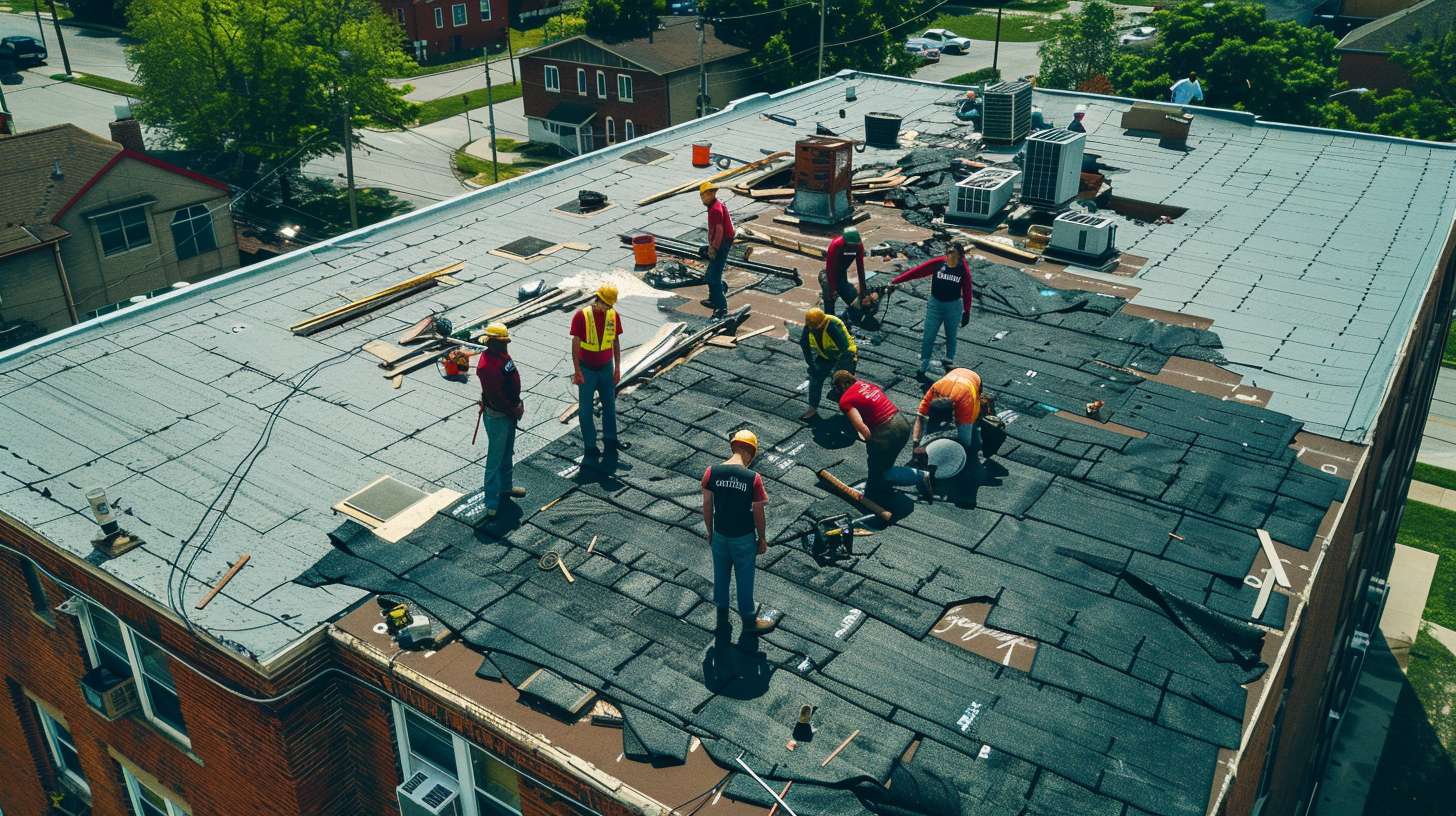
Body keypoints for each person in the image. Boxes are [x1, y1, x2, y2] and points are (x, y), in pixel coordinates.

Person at [701, 429, 777, 634]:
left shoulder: (711, 472)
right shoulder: (753, 478)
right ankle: (749, 621)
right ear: (751, 453)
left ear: (733, 447)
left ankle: (722, 615)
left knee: (721, 575)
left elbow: (707, 505)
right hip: (743, 538)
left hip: (720, 535)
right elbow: (758, 512)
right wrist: (762, 538)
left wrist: (710, 531)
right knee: (744, 578)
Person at [833, 371, 931, 501]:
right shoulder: (867, 385)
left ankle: (917, 477)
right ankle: (881, 485)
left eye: (836, 388)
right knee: (884, 465)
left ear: (843, 385)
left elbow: (862, 429)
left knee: (878, 469)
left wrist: (870, 442)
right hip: (901, 422)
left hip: (886, 431)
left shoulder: (845, 400)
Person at [890, 241, 974, 376]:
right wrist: (896, 280)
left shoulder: (963, 269)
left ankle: (949, 359)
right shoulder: (938, 263)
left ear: (960, 256)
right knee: (929, 334)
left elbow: (968, 290)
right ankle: (924, 360)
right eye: (948, 252)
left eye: (953, 253)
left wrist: (967, 311)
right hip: (935, 304)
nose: (950, 256)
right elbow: (918, 272)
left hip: (953, 306)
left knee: (951, 335)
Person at [477, 323, 527, 518]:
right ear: (492, 342)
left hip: (509, 411)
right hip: (500, 415)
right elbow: (496, 396)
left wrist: (517, 403)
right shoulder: (487, 366)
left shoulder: (500, 355)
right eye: (503, 342)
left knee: (507, 452)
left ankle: (506, 488)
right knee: (495, 459)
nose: (507, 345)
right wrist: (513, 409)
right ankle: (491, 501)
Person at [571, 284, 625, 460]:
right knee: (585, 410)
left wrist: (617, 368)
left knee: (609, 405)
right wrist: (577, 371)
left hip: (606, 367)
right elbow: (576, 344)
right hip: (586, 369)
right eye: (606, 304)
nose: (608, 308)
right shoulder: (582, 316)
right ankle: (590, 446)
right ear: (598, 300)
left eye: (610, 305)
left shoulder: (612, 315)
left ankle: (610, 439)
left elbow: (615, 342)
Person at [799, 307, 857, 422]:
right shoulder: (810, 326)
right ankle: (812, 408)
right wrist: (812, 366)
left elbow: (844, 349)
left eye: (817, 327)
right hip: (826, 354)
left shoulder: (831, 326)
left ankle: (852, 410)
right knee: (815, 378)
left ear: (822, 322)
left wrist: (835, 374)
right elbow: (805, 346)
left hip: (845, 355)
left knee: (842, 382)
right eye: (812, 328)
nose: (814, 330)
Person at [911, 367, 984, 459]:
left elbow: (965, 441)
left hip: (973, 379)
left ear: (953, 413)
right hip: (954, 374)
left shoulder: (966, 404)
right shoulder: (933, 390)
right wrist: (915, 442)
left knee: (971, 428)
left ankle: (975, 449)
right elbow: (919, 418)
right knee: (931, 427)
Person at [699, 181, 735, 319]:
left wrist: (713, 248)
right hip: (723, 241)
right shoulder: (716, 204)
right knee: (711, 274)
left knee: (714, 277)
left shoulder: (714, 209)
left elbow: (719, 230)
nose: (703, 199)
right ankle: (714, 297)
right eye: (701, 196)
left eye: (704, 196)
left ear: (711, 194)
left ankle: (721, 306)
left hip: (721, 243)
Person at [821, 227, 867, 319]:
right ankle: (829, 320)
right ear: (845, 243)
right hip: (828, 274)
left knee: (852, 298)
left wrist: (862, 288)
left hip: (842, 274)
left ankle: (852, 316)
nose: (853, 248)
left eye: (855, 246)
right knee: (829, 298)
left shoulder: (858, 246)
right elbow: (830, 268)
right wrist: (832, 289)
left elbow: (860, 267)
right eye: (851, 246)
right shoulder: (835, 245)